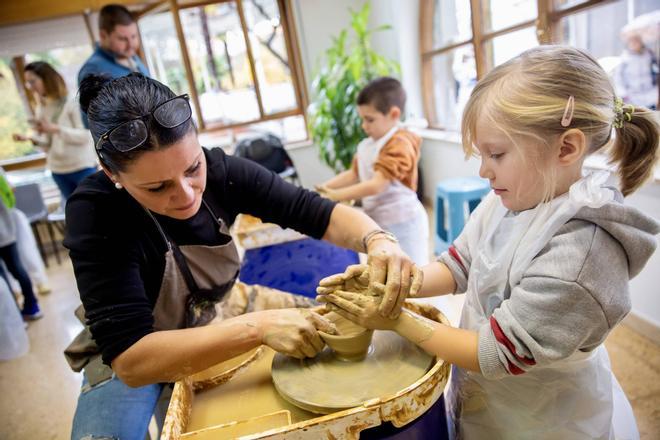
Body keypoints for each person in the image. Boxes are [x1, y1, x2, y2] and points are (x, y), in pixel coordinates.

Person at [317, 45, 659, 439]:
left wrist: (396, 319)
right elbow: (457, 265)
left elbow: (497, 353)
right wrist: (395, 281)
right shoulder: (513, 196)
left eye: (496, 154)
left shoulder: (580, 254)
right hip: (495, 401)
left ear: (566, 148)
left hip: (547, 418)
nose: (483, 171)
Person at [64, 73, 420, 440]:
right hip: (136, 345)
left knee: (334, 318)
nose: (186, 195)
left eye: (192, 169)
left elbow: (315, 211)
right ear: (112, 174)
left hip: (217, 307)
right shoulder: (95, 212)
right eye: (158, 187)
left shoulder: (221, 170)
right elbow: (131, 361)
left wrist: (379, 239)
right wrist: (258, 328)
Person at [316, 77, 429, 266]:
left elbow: (378, 185)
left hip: (403, 223)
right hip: (377, 221)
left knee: (409, 272)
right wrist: (324, 189)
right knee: (384, 269)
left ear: (394, 114)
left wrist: (335, 195)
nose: (364, 125)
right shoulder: (367, 145)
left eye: (370, 119)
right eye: (362, 119)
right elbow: (353, 174)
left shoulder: (400, 142)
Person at [13, 62, 97, 203]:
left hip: (82, 168)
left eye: (32, 81)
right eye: (28, 83)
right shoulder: (42, 107)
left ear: (46, 78)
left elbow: (85, 136)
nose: (31, 87)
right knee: (75, 214)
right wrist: (31, 138)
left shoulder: (72, 102)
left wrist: (56, 129)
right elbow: (48, 144)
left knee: (96, 211)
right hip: (58, 171)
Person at [77, 4, 149, 126]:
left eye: (134, 36)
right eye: (123, 39)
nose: (131, 44)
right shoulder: (93, 70)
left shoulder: (131, 56)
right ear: (103, 36)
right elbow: (91, 122)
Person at [0, 168, 42, 320]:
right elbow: (10, 192)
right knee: (16, 269)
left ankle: (14, 316)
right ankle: (31, 306)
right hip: (6, 228)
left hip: (4, 229)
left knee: (5, 275)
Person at [614, 33, 658, 110]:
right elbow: (618, 78)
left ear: (641, 42)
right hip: (632, 97)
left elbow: (656, 73)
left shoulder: (649, 55)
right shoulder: (624, 58)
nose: (634, 44)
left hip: (650, 95)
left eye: (637, 41)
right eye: (632, 42)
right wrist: (623, 94)